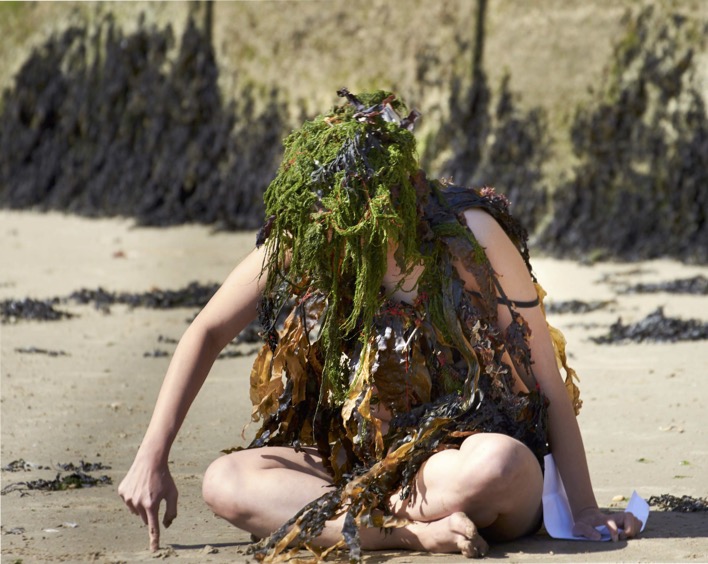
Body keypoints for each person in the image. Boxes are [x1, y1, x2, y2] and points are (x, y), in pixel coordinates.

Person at [119, 89, 642, 561]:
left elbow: (545, 378)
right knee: (225, 481)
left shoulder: (470, 237)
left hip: (457, 459)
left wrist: (584, 509)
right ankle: (407, 533)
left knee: (498, 464)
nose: (344, 236)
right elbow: (207, 331)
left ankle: (358, 519)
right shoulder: (312, 235)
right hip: (354, 461)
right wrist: (151, 457)